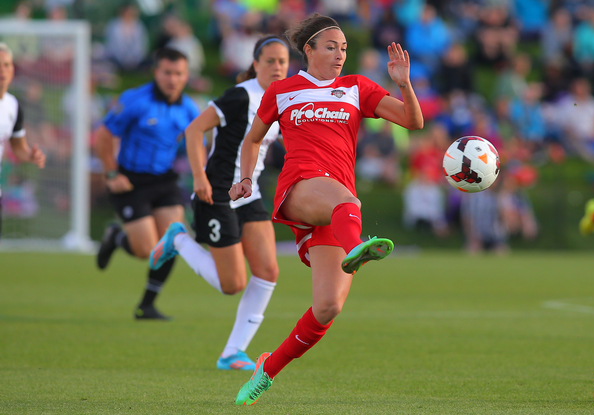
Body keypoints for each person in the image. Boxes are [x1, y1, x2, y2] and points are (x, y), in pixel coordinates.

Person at [228, 13, 424, 405]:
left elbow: (412, 121)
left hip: (337, 206)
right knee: (348, 201)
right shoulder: (283, 90)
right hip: (302, 188)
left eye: (344, 49)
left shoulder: (356, 87)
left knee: (327, 307)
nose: (339, 55)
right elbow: (252, 140)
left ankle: (267, 367)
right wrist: (245, 177)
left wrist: (404, 84)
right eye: (331, 47)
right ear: (309, 50)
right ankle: (358, 247)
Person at [148, 35, 289, 370]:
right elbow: (195, 131)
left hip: (249, 191)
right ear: (255, 64)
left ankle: (232, 353)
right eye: (269, 61)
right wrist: (199, 177)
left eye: (282, 61)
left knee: (268, 271)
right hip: (218, 192)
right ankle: (178, 239)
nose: (277, 67)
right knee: (232, 285)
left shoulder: (285, 100)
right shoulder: (241, 96)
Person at [95, 48, 199, 320]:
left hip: (164, 179)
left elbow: (196, 143)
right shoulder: (135, 100)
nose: (172, 79)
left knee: (172, 242)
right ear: (156, 73)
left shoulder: (189, 108)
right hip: (131, 180)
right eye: (167, 72)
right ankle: (115, 237)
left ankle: (147, 306)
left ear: (186, 76)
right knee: (145, 250)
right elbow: (104, 135)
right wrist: (110, 173)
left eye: (178, 74)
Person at [0, 42, 46, 240]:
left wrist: (30, 155)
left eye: (7, 64)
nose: (2, 70)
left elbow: (18, 147)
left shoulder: (13, 105)